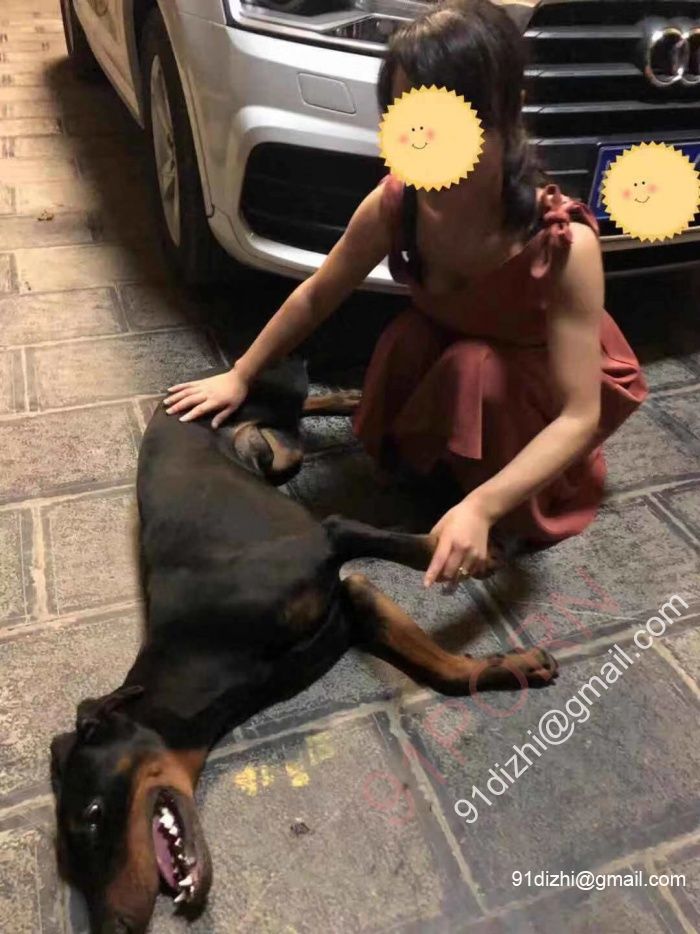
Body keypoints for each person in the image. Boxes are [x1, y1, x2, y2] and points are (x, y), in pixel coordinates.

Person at [163, 0, 647, 588]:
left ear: (510, 110)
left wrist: (483, 507)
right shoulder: (398, 202)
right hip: (452, 351)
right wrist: (241, 374)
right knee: (408, 340)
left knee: (476, 370)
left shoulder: (563, 244)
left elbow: (578, 416)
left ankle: (490, 489)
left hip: (533, 394)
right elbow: (317, 295)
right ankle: (441, 460)